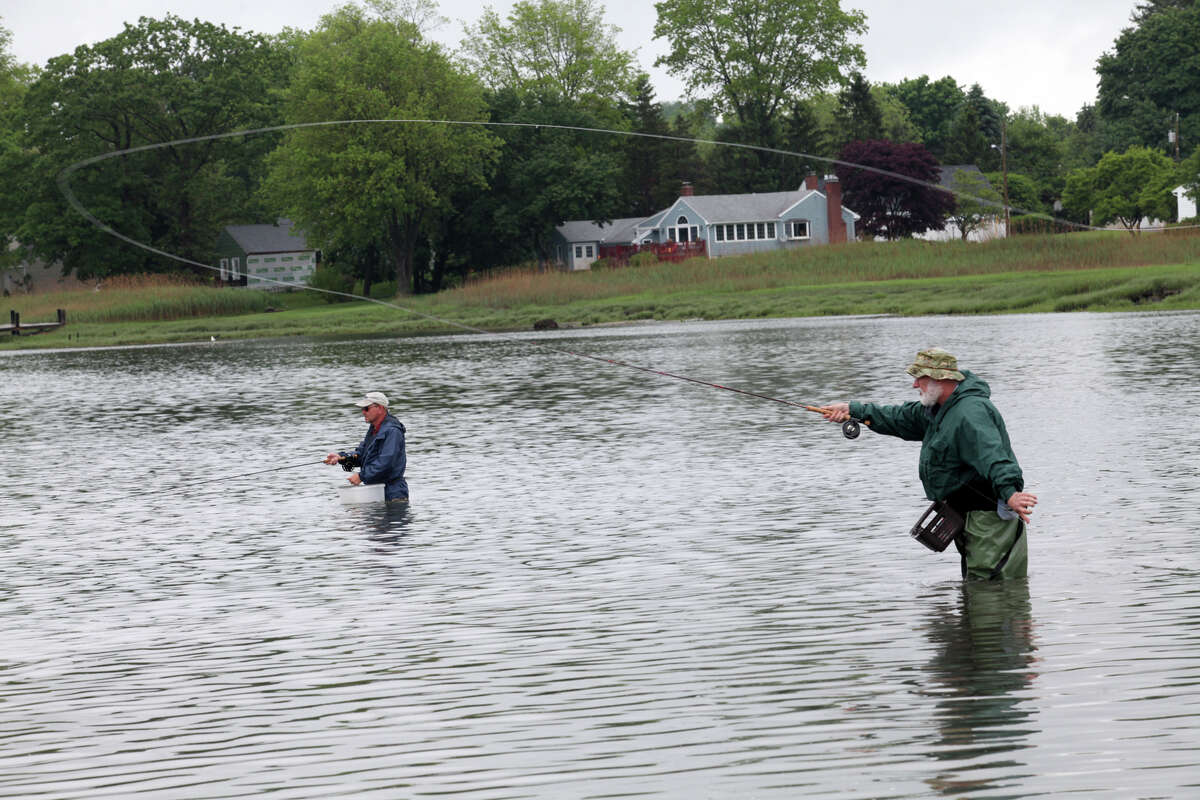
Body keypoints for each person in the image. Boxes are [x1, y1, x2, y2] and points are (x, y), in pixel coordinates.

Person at [820, 348, 1037, 580]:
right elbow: (899, 417)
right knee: (979, 590)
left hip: (989, 519)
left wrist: (1011, 493)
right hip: (969, 518)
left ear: (939, 379)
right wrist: (854, 411)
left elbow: (994, 456)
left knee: (992, 591)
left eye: (919, 379)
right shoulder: (938, 409)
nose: (915, 385)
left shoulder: (970, 413)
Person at [324, 391, 409, 503]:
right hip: (376, 492)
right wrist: (341, 457)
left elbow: (386, 462)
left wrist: (361, 476)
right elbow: (362, 454)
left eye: (366, 408)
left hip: (393, 494)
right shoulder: (374, 429)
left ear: (380, 408)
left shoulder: (393, 431)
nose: (363, 412)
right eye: (362, 409)